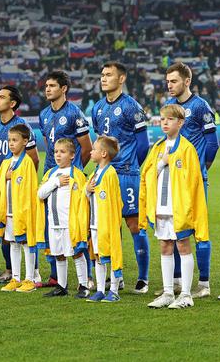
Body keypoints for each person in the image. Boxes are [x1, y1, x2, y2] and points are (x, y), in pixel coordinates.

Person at [140, 104, 209, 309]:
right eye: (162, 120)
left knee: (183, 245)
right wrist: (162, 163)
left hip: (179, 207)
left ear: (180, 123)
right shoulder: (158, 147)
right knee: (165, 246)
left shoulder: (187, 148)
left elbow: (194, 180)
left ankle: (186, 294)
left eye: (170, 119)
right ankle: (168, 291)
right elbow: (147, 175)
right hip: (161, 206)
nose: (165, 123)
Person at [92, 62, 150, 294]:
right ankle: (117, 276)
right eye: (102, 74)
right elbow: (99, 142)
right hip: (105, 176)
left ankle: (143, 279)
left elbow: (143, 144)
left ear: (122, 78)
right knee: (109, 226)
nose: (104, 78)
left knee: (134, 224)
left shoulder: (131, 106)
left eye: (109, 75)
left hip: (126, 174)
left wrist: (130, 165)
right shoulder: (97, 108)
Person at [162, 62, 218, 298]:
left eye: (173, 81)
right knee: (175, 230)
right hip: (172, 179)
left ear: (187, 81)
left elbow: (212, 144)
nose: (169, 85)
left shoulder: (200, 106)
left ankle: (204, 284)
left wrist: (199, 171)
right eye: (167, 82)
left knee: (199, 231)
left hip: (193, 180)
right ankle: (176, 281)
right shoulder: (169, 108)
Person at [39, 71, 93, 289]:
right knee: (52, 224)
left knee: (76, 227)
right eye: (46, 86)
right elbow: (49, 145)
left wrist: (74, 172)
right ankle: (56, 278)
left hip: (70, 176)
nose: (48, 89)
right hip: (51, 173)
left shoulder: (74, 113)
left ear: (64, 89)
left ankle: (85, 279)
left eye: (52, 85)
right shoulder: (43, 114)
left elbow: (87, 148)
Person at [0, 85, 39, 285]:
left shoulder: (22, 126)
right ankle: (11, 270)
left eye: (1, 97)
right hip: (3, 183)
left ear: (12, 103)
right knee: (5, 229)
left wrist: (21, 182)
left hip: (19, 186)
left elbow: (34, 159)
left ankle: (32, 273)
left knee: (24, 229)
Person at [37, 138, 89, 298]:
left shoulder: (77, 175)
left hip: (70, 224)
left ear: (72, 155)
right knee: (58, 254)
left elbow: (83, 199)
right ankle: (62, 286)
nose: (58, 155)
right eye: (56, 152)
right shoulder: (51, 174)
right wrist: (56, 182)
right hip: (53, 223)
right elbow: (40, 194)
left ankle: (84, 286)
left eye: (63, 152)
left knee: (76, 253)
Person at [0, 124, 41, 293]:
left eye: (15, 140)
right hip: (8, 212)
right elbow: (1, 183)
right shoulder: (6, 162)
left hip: (22, 212)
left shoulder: (27, 163)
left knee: (26, 243)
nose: (11, 143)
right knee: (13, 244)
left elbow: (29, 187)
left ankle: (30, 279)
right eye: (9, 140)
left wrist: (11, 176)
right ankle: (16, 278)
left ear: (25, 141)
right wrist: (6, 177)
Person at [83, 136, 124, 303]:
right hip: (95, 223)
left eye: (94, 149)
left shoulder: (110, 173)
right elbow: (87, 197)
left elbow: (115, 201)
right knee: (99, 256)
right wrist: (87, 189)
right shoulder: (95, 173)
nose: (91, 152)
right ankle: (100, 289)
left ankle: (114, 290)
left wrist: (112, 223)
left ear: (104, 153)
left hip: (107, 224)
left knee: (111, 255)